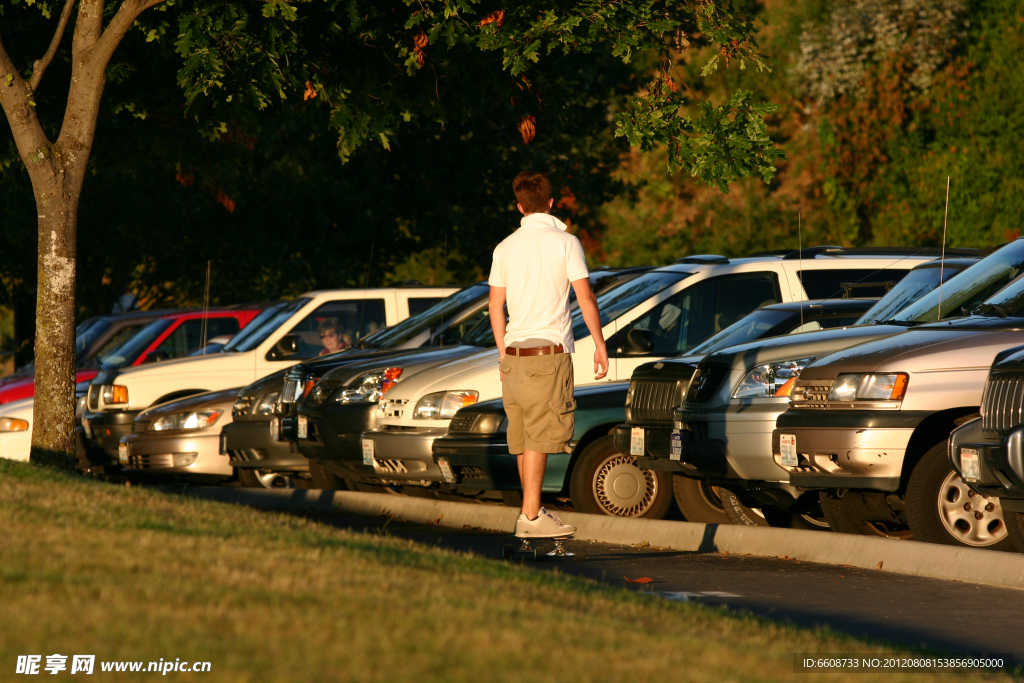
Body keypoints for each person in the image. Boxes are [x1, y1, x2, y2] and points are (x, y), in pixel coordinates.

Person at [488, 171, 608, 539]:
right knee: (541, 437)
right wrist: (599, 343)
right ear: (552, 202)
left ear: (520, 206)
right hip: (547, 352)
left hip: (514, 353)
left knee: (524, 439)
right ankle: (530, 517)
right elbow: (585, 297)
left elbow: (495, 306)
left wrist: (502, 353)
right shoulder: (566, 242)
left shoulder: (504, 247)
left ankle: (532, 512)